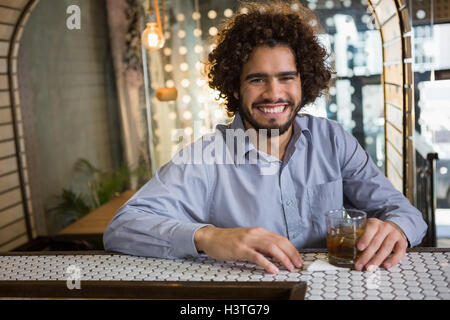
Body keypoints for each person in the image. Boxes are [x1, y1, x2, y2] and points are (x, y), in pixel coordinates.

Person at [104, 0, 427, 274]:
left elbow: (405, 213)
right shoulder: (205, 156)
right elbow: (122, 228)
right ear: (234, 86)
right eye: (258, 80)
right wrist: (209, 237)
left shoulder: (333, 140)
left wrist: (396, 228)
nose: (274, 94)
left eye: (286, 78)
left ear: (304, 82)